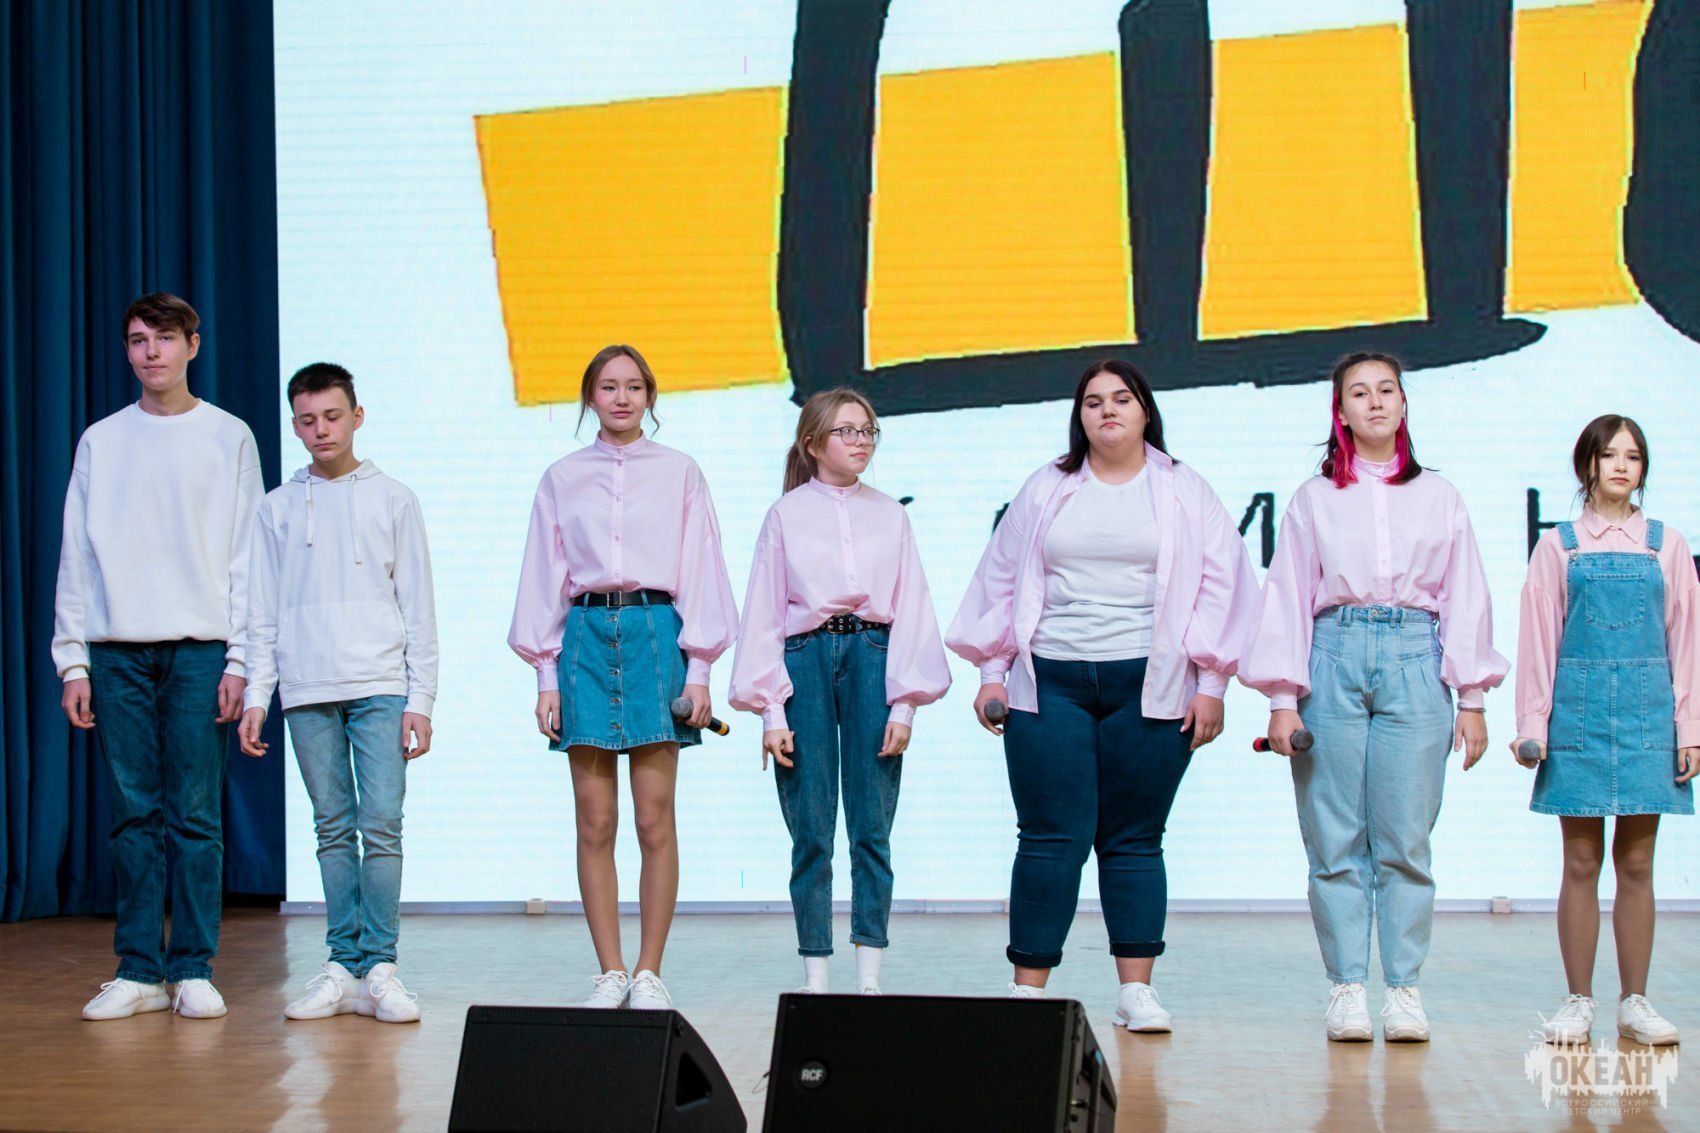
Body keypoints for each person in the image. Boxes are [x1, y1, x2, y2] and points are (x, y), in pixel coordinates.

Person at [946, 359, 1258, 1031]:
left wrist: (1212, 682)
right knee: (1049, 836)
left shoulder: (1183, 488)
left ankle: (1135, 991)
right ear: (1079, 416)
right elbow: (1000, 577)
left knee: (1134, 839)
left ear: (1145, 411)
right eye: (1093, 401)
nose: (1107, 410)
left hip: (1150, 683)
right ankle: (1027, 989)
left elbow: (1223, 584)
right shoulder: (1047, 487)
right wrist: (992, 672)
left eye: (1121, 398)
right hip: (1049, 681)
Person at [1239, 351, 1507, 1043]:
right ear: (1341, 411)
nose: (1376, 401)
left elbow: (1466, 595)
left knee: (1405, 837)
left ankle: (1405, 989)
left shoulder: (1440, 496)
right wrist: (1281, 697)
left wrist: (1472, 697)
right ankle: (1348, 986)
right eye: (1360, 393)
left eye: (1387, 389)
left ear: (1404, 403)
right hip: (1332, 651)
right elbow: (1288, 596)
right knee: (1333, 834)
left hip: (1415, 654)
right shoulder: (1314, 498)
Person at [54, 292, 263, 1020]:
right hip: (116, 651)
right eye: (139, 340)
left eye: (165, 338)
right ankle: (138, 969)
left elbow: (247, 554)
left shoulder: (229, 435)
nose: (152, 352)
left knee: (196, 815)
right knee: (132, 815)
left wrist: (241, 659)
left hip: (200, 649)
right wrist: (73, 661)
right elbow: (76, 555)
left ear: (192, 345)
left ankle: (193, 966)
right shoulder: (102, 440)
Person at [509, 344, 737, 1010]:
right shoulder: (562, 477)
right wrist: (545, 677)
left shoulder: (680, 472)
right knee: (594, 817)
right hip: (584, 635)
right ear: (590, 397)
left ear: (650, 396)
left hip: (655, 631)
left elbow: (701, 567)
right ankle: (609, 970)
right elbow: (543, 575)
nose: (621, 397)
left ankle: (649, 971)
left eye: (634, 386)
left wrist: (700, 670)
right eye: (608, 386)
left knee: (654, 816)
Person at [729, 389, 951, 995]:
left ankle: (870, 972)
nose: (860, 442)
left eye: (868, 431)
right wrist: (771, 711)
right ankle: (816, 972)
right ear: (812, 443)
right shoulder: (785, 515)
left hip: (874, 655)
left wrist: (905, 704)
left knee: (872, 822)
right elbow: (765, 611)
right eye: (846, 431)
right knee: (811, 823)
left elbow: (912, 605)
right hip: (804, 658)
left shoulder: (891, 514)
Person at [238, 362, 438, 1024]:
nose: (320, 429)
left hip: (381, 685)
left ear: (357, 416)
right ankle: (342, 964)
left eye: (332, 416)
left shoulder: (394, 499)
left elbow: (419, 606)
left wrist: (421, 699)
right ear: (294, 425)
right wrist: (258, 696)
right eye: (307, 419)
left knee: (381, 825)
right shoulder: (276, 508)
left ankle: (381, 966)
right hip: (306, 688)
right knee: (332, 828)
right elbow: (260, 610)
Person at [1511, 414, 1696, 1047]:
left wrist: (1690, 728)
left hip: (1649, 717)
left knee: (1638, 862)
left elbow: (1687, 642)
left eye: (1633, 456)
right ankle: (1578, 1001)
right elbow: (1539, 641)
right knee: (1582, 860)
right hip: (1579, 715)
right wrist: (1531, 726)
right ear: (1586, 464)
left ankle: (1635, 1002)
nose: (1621, 466)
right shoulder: (1558, 547)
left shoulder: (1666, 544)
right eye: (1609, 454)